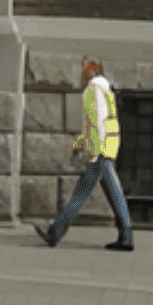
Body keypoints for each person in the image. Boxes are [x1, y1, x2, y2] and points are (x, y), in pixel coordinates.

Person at [33, 58, 134, 251]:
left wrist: (94, 152)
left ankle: (54, 233)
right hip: (106, 148)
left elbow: (96, 123)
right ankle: (126, 236)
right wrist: (79, 143)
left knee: (81, 196)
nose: (81, 74)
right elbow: (101, 124)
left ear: (90, 72)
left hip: (100, 152)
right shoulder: (106, 91)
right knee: (113, 195)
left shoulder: (93, 91)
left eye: (84, 70)